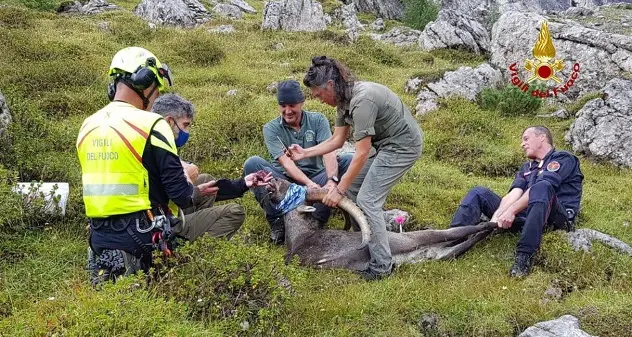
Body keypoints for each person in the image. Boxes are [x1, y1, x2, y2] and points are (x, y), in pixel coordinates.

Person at [77, 47, 269, 284]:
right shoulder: (152, 123)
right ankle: (185, 265)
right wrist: (190, 184)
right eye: (156, 90)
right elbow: (181, 196)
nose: (156, 97)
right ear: (145, 82)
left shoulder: (88, 125)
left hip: (98, 238)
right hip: (142, 235)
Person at [287, 56, 424, 281]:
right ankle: (361, 241)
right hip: (383, 145)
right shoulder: (343, 102)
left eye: (319, 94)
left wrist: (338, 189)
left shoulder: (362, 101)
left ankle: (382, 266)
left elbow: (361, 153)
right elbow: (337, 141)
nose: (318, 100)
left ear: (330, 85)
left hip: (402, 147)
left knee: (369, 200)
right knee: (354, 190)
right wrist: (305, 152)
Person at [449, 126, 584, 277]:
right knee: (478, 192)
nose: (522, 144)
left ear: (542, 137)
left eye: (526, 139)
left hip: (555, 220)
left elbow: (540, 189)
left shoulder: (563, 159)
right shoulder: (527, 167)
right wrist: (496, 218)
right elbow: (514, 194)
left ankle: (524, 257)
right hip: (525, 218)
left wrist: (511, 211)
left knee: (542, 186)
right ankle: (452, 239)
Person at [243, 80, 354, 244]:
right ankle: (277, 221)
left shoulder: (318, 120)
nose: (287, 111)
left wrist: (331, 180)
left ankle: (317, 218)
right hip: (285, 182)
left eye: (292, 105)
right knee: (253, 164)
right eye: (283, 106)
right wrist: (309, 184)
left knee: (348, 160)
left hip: (317, 176)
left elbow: (329, 152)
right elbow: (287, 163)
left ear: (301, 102)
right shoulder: (271, 128)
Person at [152, 93, 269, 241]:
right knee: (235, 211)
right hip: (160, 221)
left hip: (163, 209)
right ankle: (189, 248)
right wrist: (187, 176)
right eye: (185, 125)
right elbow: (182, 196)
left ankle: (195, 227)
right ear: (169, 122)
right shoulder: (161, 148)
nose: (187, 132)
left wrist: (242, 184)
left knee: (206, 179)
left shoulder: (149, 139)